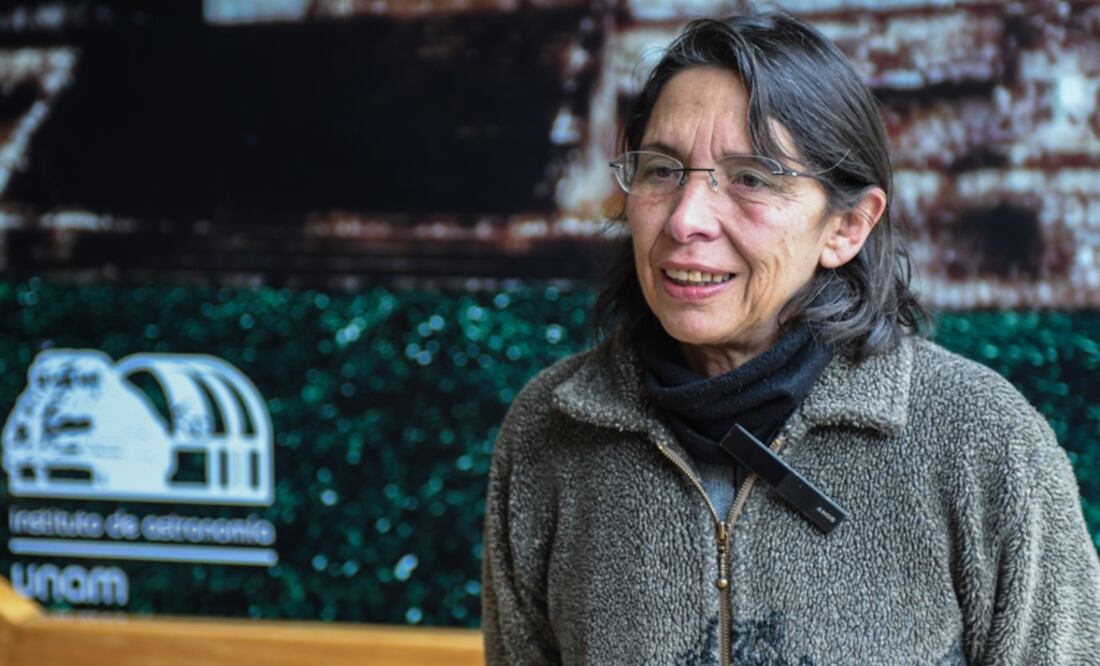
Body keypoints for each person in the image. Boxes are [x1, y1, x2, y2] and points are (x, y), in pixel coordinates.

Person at [481, 11, 1100, 665]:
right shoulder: (550, 432)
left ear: (847, 228)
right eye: (662, 170)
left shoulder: (980, 439)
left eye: (751, 178)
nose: (686, 220)